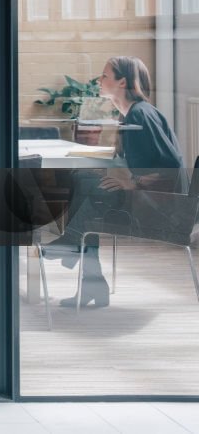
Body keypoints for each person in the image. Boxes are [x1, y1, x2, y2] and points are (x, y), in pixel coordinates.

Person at [42, 56, 186, 308]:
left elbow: (172, 166)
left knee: (85, 188)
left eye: (105, 75)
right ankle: (86, 274)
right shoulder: (131, 114)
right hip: (145, 198)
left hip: (157, 206)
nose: (99, 80)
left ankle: (71, 245)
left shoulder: (141, 115)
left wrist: (134, 183)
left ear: (122, 82)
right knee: (83, 184)